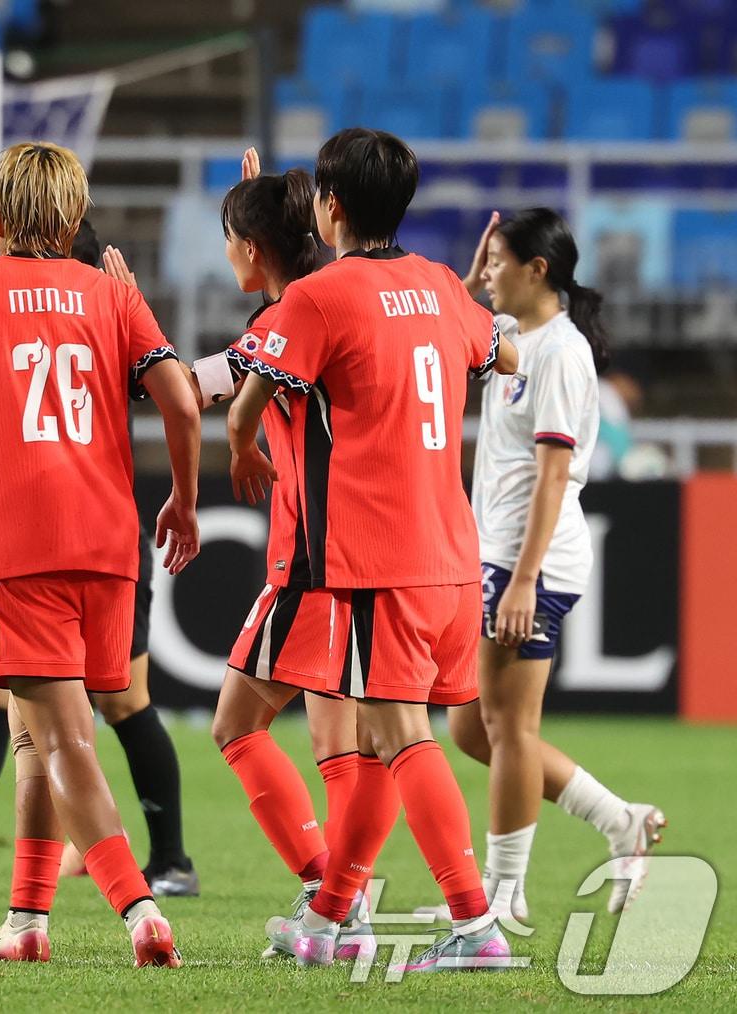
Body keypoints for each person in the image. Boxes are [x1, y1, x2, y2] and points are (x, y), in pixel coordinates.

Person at [0, 141, 201, 967]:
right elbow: (180, 400)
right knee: (38, 731)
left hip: (18, 544)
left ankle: (139, 910)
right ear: (74, 215)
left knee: (62, 739)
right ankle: (27, 920)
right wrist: (183, 498)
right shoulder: (112, 293)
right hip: (109, 542)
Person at [229, 127, 519, 974]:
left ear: (331, 206)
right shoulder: (439, 285)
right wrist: (467, 312)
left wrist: (242, 446)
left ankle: (475, 926)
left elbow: (245, 404)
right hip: (452, 557)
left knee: (398, 739)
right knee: (376, 746)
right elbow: (501, 353)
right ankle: (328, 915)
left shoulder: (320, 297)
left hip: (377, 559)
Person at [173, 149, 379, 961]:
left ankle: (333, 894)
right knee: (341, 744)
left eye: (231, 236)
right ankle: (340, 903)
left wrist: (124, 332)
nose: (225, 250)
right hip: (362, 554)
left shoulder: (285, 324)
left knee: (237, 724)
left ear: (253, 250)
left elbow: (194, 387)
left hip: (311, 562)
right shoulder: (331, 306)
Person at [429, 208, 665, 922]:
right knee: (473, 730)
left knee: (509, 728)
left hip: (531, 562)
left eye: (500, 262)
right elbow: (437, 332)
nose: (490, 273)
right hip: (494, 553)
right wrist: (468, 281)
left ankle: (502, 897)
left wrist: (524, 581)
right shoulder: (507, 333)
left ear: (538, 270)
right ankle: (620, 820)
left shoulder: (561, 352)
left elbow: (554, 474)